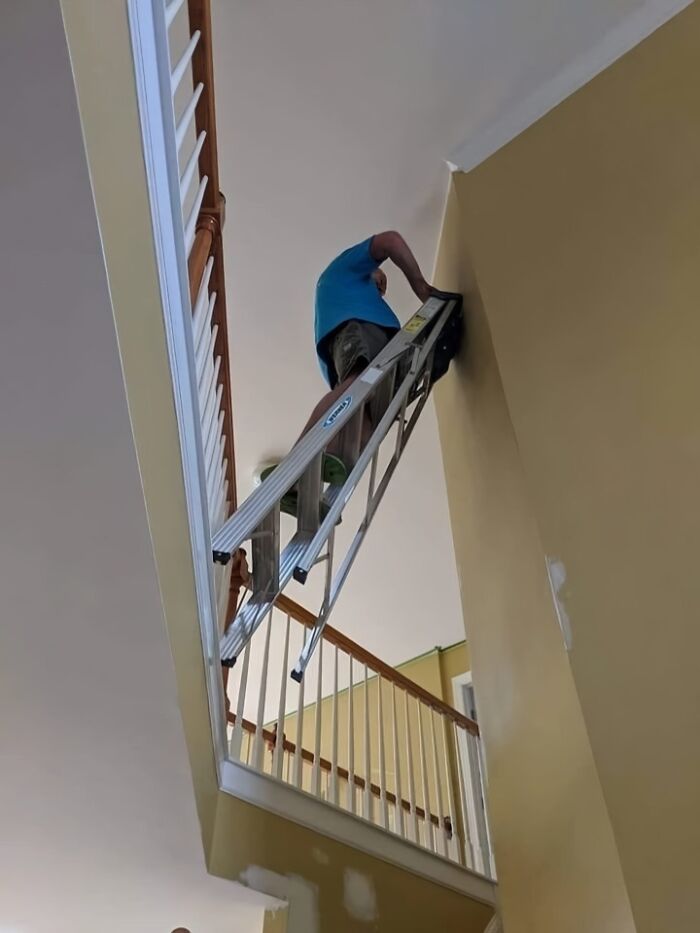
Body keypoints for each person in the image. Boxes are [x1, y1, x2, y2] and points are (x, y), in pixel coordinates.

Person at [260, 232, 439, 510]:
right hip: (360, 330)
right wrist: (422, 288)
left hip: (358, 348)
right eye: (378, 283)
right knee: (358, 384)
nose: (381, 290)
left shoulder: (337, 301)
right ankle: (294, 471)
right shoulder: (342, 272)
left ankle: (318, 491)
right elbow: (390, 240)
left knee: (363, 424)